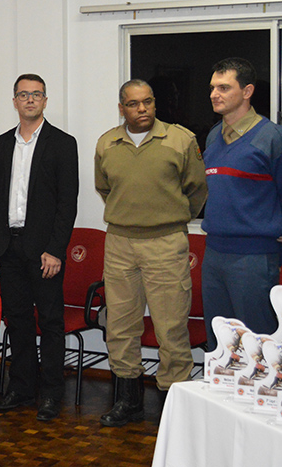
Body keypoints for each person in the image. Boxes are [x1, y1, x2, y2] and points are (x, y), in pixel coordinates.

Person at [94, 79, 208, 426]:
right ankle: (128, 401)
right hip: (119, 243)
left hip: (165, 242)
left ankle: (172, 406)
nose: (141, 109)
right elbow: (104, 187)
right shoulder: (107, 144)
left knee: (170, 325)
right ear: (122, 108)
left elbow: (196, 190)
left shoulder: (180, 139)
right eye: (133, 104)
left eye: (147, 102)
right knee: (120, 326)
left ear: (155, 104)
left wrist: (168, 217)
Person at [0, 74, 78, 421]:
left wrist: (56, 250)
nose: (29, 100)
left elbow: (67, 202)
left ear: (45, 100)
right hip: (9, 248)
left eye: (36, 94)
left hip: (44, 253)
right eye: (23, 95)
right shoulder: (1, 143)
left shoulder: (63, 143)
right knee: (19, 320)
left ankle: (52, 393)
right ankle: (22, 388)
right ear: (14, 101)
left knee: (51, 323)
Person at [202, 57, 282, 348]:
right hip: (214, 253)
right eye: (212, 87)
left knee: (257, 344)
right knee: (220, 343)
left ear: (247, 91)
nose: (214, 94)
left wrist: (280, 234)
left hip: (253, 258)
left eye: (224, 87)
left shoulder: (274, 139)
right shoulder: (213, 137)